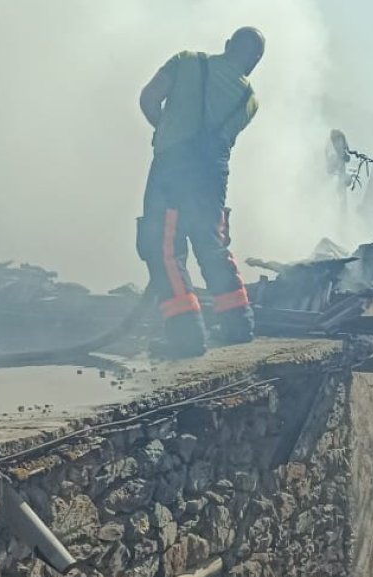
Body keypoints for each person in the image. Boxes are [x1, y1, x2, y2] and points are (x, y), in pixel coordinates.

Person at [135, 27, 265, 359]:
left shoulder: (186, 61)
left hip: (173, 168)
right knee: (211, 244)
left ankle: (186, 336)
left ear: (226, 45)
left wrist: (165, 127)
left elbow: (148, 98)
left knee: (165, 248)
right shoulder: (249, 101)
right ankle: (239, 325)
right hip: (212, 177)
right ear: (253, 64)